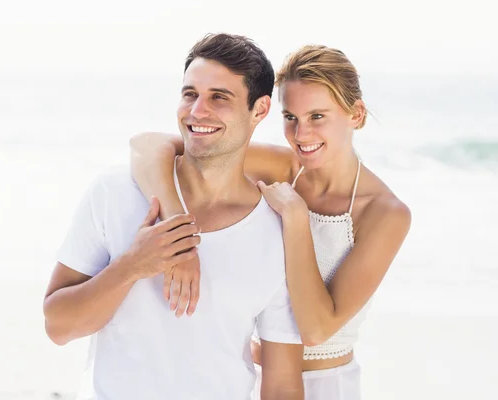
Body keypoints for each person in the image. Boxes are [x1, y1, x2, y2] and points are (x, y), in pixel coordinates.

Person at [129, 44, 412, 400]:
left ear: (355, 114)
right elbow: (146, 147)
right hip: (253, 378)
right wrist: (180, 235)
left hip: (324, 387)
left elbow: (316, 329)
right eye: (290, 117)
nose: (301, 134)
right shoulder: (280, 169)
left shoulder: (385, 212)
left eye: (317, 117)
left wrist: (295, 219)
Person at [43, 33, 305, 400]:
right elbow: (58, 326)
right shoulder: (115, 192)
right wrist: (132, 265)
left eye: (219, 97)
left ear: (259, 110)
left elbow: (282, 384)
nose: (198, 111)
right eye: (190, 94)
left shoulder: (277, 229)